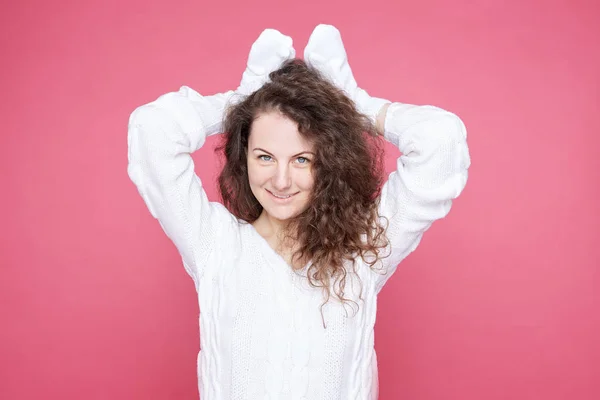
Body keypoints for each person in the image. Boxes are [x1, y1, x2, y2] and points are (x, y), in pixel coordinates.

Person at [127, 24, 470, 400]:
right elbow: (152, 129)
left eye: (302, 159)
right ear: (245, 159)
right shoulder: (214, 245)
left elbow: (442, 141)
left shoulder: (362, 252)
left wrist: (355, 105)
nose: (281, 179)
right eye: (265, 157)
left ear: (329, 164)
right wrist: (242, 99)